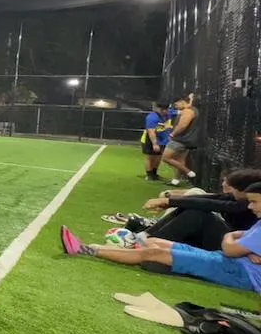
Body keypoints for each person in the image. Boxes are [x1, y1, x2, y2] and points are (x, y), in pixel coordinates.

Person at [60, 182, 261, 294]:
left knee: (154, 252)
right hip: (231, 261)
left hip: (240, 273)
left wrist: (231, 238)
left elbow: (230, 248)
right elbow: (238, 243)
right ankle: (144, 256)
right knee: (154, 242)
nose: (250, 206)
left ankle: (85, 248)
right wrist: (239, 244)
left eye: (254, 202)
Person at [123, 168, 261, 251]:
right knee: (192, 205)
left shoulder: (245, 205)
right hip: (230, 242)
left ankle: (150, 245)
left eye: (234, 188)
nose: (230, 190)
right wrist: (169, 201)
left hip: (233, 247)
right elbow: (210, 198)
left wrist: (169, 201)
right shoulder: (242, 200)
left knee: (198, 214)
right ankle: (145, 236)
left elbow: (213, 204)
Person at [163, 95, 200, 185]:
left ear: (182, 102)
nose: (176, 107)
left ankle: (188, 172)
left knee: (166, 158)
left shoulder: (188, 111)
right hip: (187, 140)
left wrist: (173, 134)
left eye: (176, 105)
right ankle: (176, 180)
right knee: (180, 160)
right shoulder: (193, 110)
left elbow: (183, 125)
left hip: (180, 139)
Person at [140, 102, 173, 183]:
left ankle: (154, 174)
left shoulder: (168, 114)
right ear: (158, 109)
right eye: (162, 109)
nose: (164, 111)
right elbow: (151, 132)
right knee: (151, 158)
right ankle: (149, 175)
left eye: (166, 109)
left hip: (162, 140)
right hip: (149, 140)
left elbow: (181, 111)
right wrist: (155, 144)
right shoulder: (152, 117)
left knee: (158, 158)